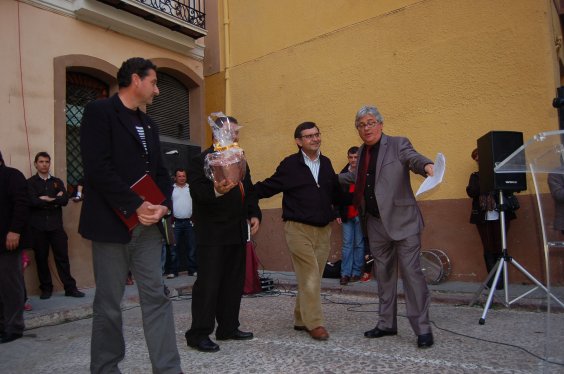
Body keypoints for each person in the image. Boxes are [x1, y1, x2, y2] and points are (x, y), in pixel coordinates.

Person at [79, 57, 182, 373]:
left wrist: (163, 205)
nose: (158, 90)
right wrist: (136, 204)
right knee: (109, 304)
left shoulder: (150, 124)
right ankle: (106, 367)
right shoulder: (99, 112)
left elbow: (161, 173)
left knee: (157, 298)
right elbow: (98, 168)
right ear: (136, 79)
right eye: (153, 82)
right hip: (111, 225)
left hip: (149, 228)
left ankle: (168, 368)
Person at [339, 105, 435, 348]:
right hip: (375, 223)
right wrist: (324, 179)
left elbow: (413, 159)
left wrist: (427, 167)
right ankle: (386, 323)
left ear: (380, 124)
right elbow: (357, 179)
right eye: (361, 125)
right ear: (358, 130)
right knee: (384, 276)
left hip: (403, 222)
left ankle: (422, 329)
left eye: (371, 122)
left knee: (412, 275)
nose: (366, 128)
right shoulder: (361, 153)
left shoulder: (398, 144)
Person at [255, 122, 342, 341]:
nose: (315, 139)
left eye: (317, 134)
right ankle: (315, 323)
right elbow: (269, 186)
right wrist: (244, 192)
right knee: (310, 275)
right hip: (298, 229)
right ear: (299, 141)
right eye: (309, 136)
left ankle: (300, 319)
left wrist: (341, 210)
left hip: (323, 230)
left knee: (311, 277)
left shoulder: (327, 163)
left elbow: (335, 192)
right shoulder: (290, 164)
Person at [184, 116, 261, 353]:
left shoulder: (240, 158)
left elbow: (248, 190)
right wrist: (216, 190)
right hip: (212, 232)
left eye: (236, 132)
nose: (234, 136)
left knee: (233, 283)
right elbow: (198, 193)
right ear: (215, 133)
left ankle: (228, 327)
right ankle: (199, 333)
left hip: (237, 230)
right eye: (230, 131)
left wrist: (254, 213)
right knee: (209, 284)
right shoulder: (201, 160)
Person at [27, 152, 84, 300]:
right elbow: (33, 202)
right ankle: (46, 289)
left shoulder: (57, 182)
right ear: (35, 164)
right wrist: (54, 199)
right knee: (41, 258)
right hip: (38, 227)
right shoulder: (31, 182)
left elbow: (64, 200)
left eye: (47, 161)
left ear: (49, 163)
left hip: (56, 226)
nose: (44, 164)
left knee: (62, 258)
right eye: (41, 162)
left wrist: (46, 199)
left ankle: (70, 288)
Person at [466, 148, 516, 290]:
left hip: (501, 214)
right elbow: (472, 191)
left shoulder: (499, 172)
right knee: (488, 246)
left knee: (501, 245)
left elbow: (508, 188)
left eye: (479, 157)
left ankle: (502, 279)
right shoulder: (475, 176)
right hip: (483, 216)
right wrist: (484, 178)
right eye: (475, 158)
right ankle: (493, 280)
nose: (477, 161)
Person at [0, 150, 29, 344]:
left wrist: (14, 231)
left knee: (11, 285)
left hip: (9, 241)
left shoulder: (12, 176)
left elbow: (21, 205)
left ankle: (14, 326)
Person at [339, 146, 365, 286]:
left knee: (359, 244)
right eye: (351, 157)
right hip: (346, 214)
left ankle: (356, 272)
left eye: (356, 157)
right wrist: (337, 212)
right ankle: (345, 274)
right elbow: (336, 195)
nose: (353, 160)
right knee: (347, 244)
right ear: (348, 158)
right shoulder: (343, 173)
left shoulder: (364, 172)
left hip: (360, 214)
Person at [167, 168, 197, 278]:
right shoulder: (171, 189)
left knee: (192, 248)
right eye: (179, 176)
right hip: (176, 224)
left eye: (183, 176)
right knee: (173, 249)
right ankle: (173, 271)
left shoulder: (191, 188)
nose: (182, 178)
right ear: (175, 177)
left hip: (190, 223)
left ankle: (192, 270)